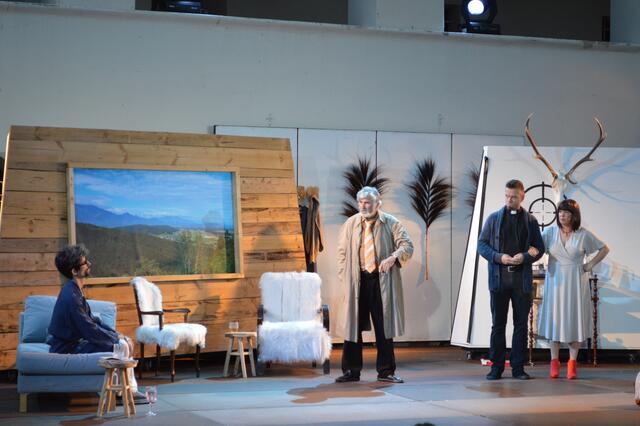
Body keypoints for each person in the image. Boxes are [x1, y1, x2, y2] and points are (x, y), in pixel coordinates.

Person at [335, 186, 413, 384]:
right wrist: (344, 278)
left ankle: (386, 371)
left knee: (383, 327)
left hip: (381, 281)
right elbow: (342, 253)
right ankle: (351, 371)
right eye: (361, 202)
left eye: (368, 202)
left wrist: (393, 257)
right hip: (357, 281)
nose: (363, 206)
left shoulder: (391, 222)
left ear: (378, 203)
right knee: (352, 326)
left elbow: (407, 245)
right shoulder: (351, 223)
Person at [48, 244, 145, 400]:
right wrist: (117, 339)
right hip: (67, 348)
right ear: (74, 271)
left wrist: (116, 334)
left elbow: (93, 320)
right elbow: (90, 330)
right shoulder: (71, 297)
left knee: (121, 341)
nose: (89, 264)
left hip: (75, 343)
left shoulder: (74, 290)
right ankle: (124, 392)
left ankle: (124, 390)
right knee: (121, 345)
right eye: (85, 263)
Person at [478, 179, 544, 380]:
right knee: (498, 325)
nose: (509, 200)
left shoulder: (530, 221)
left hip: (521, 282)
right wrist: (499, 257)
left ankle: (518, 368)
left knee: (521, 326)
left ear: (522, 196)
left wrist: (525, 257)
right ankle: (496, 368)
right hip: (499, 281)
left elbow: (539, 248)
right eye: (507, 196)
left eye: (513, 197)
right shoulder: (493, 219)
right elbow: (482, 245)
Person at [537, 199, 609, 379]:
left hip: (576, 282)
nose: (562, 215)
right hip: (555, 280)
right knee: (554, 321)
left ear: (574, 215)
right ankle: (554, 361)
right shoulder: (550, 232)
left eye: (566, 212)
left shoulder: (583, 234)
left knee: (574, 320)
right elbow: (536, 249)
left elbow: (604, 249)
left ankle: (572, 362)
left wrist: (589, 265)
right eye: (560, 212)